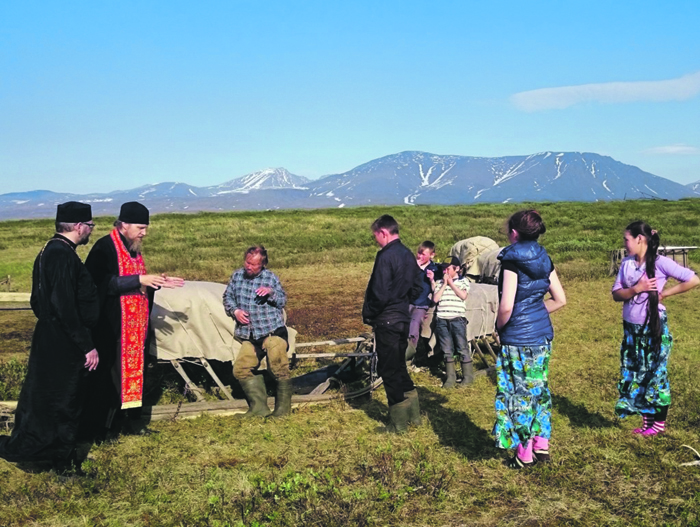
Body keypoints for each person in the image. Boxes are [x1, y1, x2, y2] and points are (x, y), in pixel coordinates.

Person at [0, 202, 99, 472]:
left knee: (50, 397)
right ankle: (62, 462)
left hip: (52, 336)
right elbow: (64, 305)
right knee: (65, 400)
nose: (91, 231)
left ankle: (54, 452)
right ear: (79, 226)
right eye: (90, 226)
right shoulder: (62, 255)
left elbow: (37, 300)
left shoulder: (50, 251)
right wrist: (86, 345)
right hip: (64, 342)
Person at [83, 202, 184, 438]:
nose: (144, 233)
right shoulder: (104, 248)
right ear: (124, 224)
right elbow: (97, 285)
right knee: (109, 378)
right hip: (112, 329)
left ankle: (131, 423)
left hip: (135, 329)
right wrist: (138, 279)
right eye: (140, 227)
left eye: (146, 228)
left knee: (134, 373)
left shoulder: (133, 248)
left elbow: (139, 282)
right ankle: (103, 429)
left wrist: (154, 283)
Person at [492, 210, 566, 469]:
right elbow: (560, 299)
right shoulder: (545, 258)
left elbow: (506, 306)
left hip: (517, 339)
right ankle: (541, 444)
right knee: (539, 389)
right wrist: (534, 312)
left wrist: (499, 328)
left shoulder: (511, 261)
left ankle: (523, 453)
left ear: (514, 233)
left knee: (517, 393)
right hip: (542, 336)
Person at [611, 221, 698, 436]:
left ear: (639, 239)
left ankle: (658, 424)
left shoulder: (660, 263)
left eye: (627, 239)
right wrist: (636, 289)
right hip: (631, 329)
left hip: (653, 328)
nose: (625, 243)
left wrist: (664, 294)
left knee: (655, 373)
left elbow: (693, 280)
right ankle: (646, 421)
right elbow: (616, 294)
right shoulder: (627, 263)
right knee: (637, 372)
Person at [362, 215, 423, 433]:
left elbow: (379, 292)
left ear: (383, 233)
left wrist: (369, 313)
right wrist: (404, 301)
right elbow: (419, 285)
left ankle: (398, 424)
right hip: (402, 318)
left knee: (388, 370)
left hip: (387, 319)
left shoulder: (385, 256)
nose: (375, 240)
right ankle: (414, 416)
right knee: (399, 365)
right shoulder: (407, 254)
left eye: (375, 236)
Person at [223, 245, 291, 418]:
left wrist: (271, 292)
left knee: (278, 366)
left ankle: (283, 410)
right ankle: (259, 408)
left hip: (271, 331)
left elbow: (282, 300)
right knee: (241, 369)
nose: (249, 267)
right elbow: (227, 297)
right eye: (247, 262)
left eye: (253, 265)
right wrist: (235, 311)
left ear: (262, 264)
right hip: (249, 334)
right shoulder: (237, 276)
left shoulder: (270, 278)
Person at [431, 256, 471, 388]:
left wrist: (451, 284)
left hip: (457, 319)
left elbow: (463, 296)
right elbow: (435, 299)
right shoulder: (439, 283)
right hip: (442, 319)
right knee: (446, 349)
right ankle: (450, 377)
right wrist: (444, 284)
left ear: (457, 269)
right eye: (443, 269)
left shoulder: (463, 281)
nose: (445, 272)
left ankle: (467, 377)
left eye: (447, 269)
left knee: (461, 347)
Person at [407, 241, 438, 362]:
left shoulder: (434, 269)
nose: (419, 256)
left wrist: (432, 279)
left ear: (432, 255)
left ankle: (409, 356)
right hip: (407, 302)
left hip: (422, 304)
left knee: (413, 328)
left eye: (423, 254)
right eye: (418, 253)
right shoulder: (410, 266)